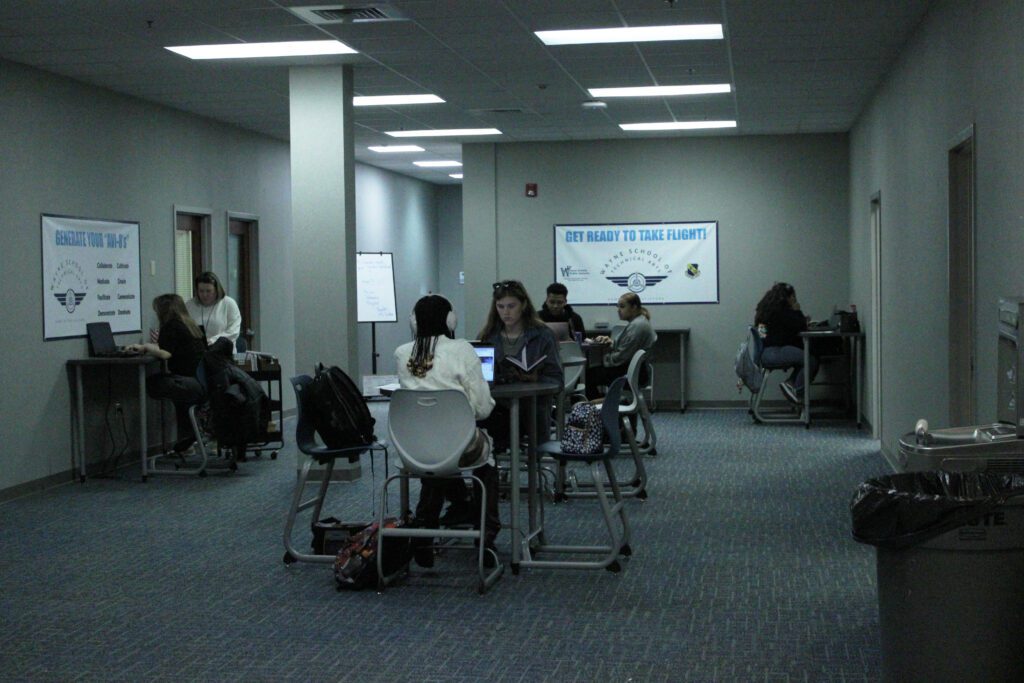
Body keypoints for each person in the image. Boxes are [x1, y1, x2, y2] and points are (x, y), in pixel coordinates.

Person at [394, 294, 500, 567]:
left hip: (412, 449)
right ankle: (485, 538)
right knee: (485, 459)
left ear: (414, 322)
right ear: (450, 320)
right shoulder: (462, 349)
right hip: (457, 447)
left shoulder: (402, 353)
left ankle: (424, 528)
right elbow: (482, 408)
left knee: (438, 459)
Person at [476, 280, 563, 448]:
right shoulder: (487, 336)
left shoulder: (543, 335)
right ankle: (488, 468)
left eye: (511, 306)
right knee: (484, 426)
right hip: (496, 405)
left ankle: (492, 465)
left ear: (523, 305)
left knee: (497, 428)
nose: (505, 312)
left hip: (530, 407)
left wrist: (536, 378)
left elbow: (557, 379)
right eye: (500, 307)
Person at [127, 294, 208, 453]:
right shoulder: (191, 325)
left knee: (152, 383)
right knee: (181, 398)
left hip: (189, 383)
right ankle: (187, 440)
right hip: (202, 382)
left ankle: (186, 438)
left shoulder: (171, 326)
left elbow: (165, 354)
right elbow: (173, 348)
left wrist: (145, 347)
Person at [754, 282, 818, 405]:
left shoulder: (768, 308)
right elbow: (799, 326)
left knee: (805, 356)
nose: (794, 299)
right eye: (793, 296)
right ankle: (796, 390)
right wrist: (797, 310)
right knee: (811, 359)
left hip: (767, 351)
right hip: (774, 352)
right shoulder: (781, 310)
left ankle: (791, 385)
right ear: (788, 297)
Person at [586, 292, 657, 400]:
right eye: (618, 306)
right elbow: (627, 348)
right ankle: (604, 405)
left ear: (634, 307)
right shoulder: (639, 322)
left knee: (587, 376)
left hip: (631, 373)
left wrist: (604, 358)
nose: (618, 310)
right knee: (592, 374)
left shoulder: (637, 326)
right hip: (635, 371)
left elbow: (621, 356)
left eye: (622, 306)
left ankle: (601, 408)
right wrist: (611, 342)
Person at [185, 271, 242, 347]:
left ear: (216, 290)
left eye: (208, 291)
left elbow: (233, 331)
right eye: (201, 291)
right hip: (197, 350)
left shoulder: (229, 304)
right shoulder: (190, 305)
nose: (204, 295)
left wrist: (213, 340)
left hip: (222, 351)